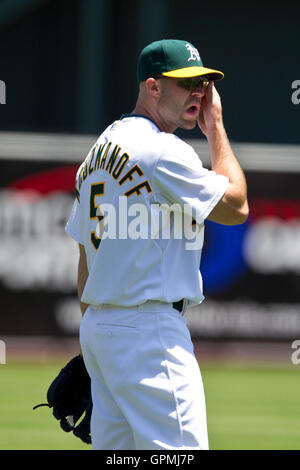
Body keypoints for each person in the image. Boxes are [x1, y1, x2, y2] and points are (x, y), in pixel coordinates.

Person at [65, 38, 249, 450]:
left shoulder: (98, 151)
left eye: (203, 83)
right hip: (149, 333)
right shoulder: (163, 150)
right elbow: (237, 206)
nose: (199, 93)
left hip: (101, 327)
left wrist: (98, 340)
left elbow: (84, 257)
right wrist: (216, 128)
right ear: (152, 86)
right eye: (186, 83)